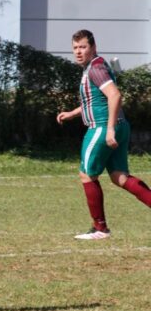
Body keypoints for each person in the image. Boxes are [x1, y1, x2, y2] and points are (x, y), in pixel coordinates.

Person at [56, 30, 151, 239]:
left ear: (93, 47)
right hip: (119, 125)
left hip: (102, 127)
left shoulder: (95, 68)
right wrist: (73, 113)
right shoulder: (95, 66)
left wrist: (108, 129)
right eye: (75, 48)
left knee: (87, 174)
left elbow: (115, 95)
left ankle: (100, 229)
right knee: (120, 177)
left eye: (83, 47)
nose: (78, 52)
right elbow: (96, 99)